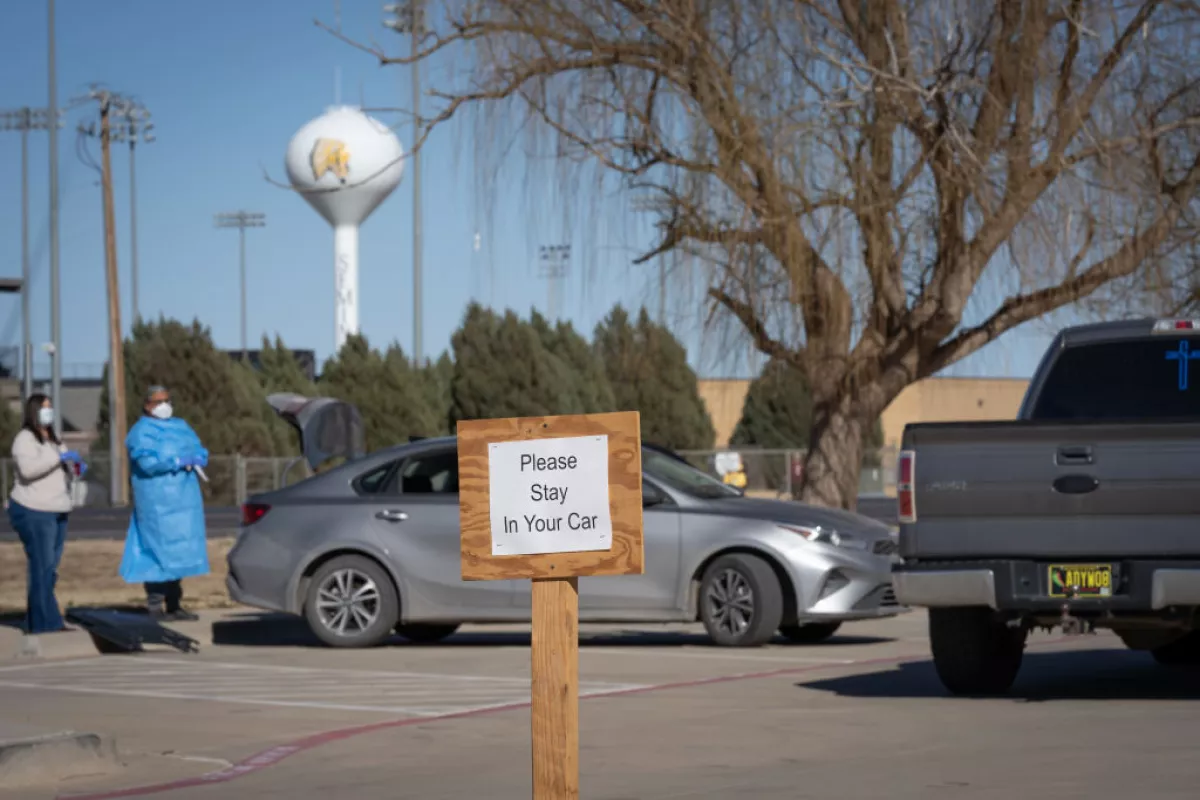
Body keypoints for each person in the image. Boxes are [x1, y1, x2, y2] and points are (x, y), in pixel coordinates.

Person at [120, 385, 209, 622]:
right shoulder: (141, 431)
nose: (164, 405)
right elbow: (147, 463)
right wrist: (176, 461)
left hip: (184, 501)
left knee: (179, 551)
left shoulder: (181, 427)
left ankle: (174, 603)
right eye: (158, 401)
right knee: (157, 551)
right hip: (157, 503)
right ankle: (155, 605)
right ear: (147, 405)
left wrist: (199, 457)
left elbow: (199, 449)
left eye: (167, 400)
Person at [9, 393, 86, 634]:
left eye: (51, 408)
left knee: (49, 568)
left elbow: (64, 469)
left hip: (58, 508)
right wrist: (58, 457)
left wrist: (75, 466)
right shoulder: (24, 439)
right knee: (41, 566)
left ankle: (37, 619)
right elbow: (28, 470)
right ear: (34, 411)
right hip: (34, 509)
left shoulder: (54, 438)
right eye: (44, 408)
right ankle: (46, 623)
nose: (49, 412)